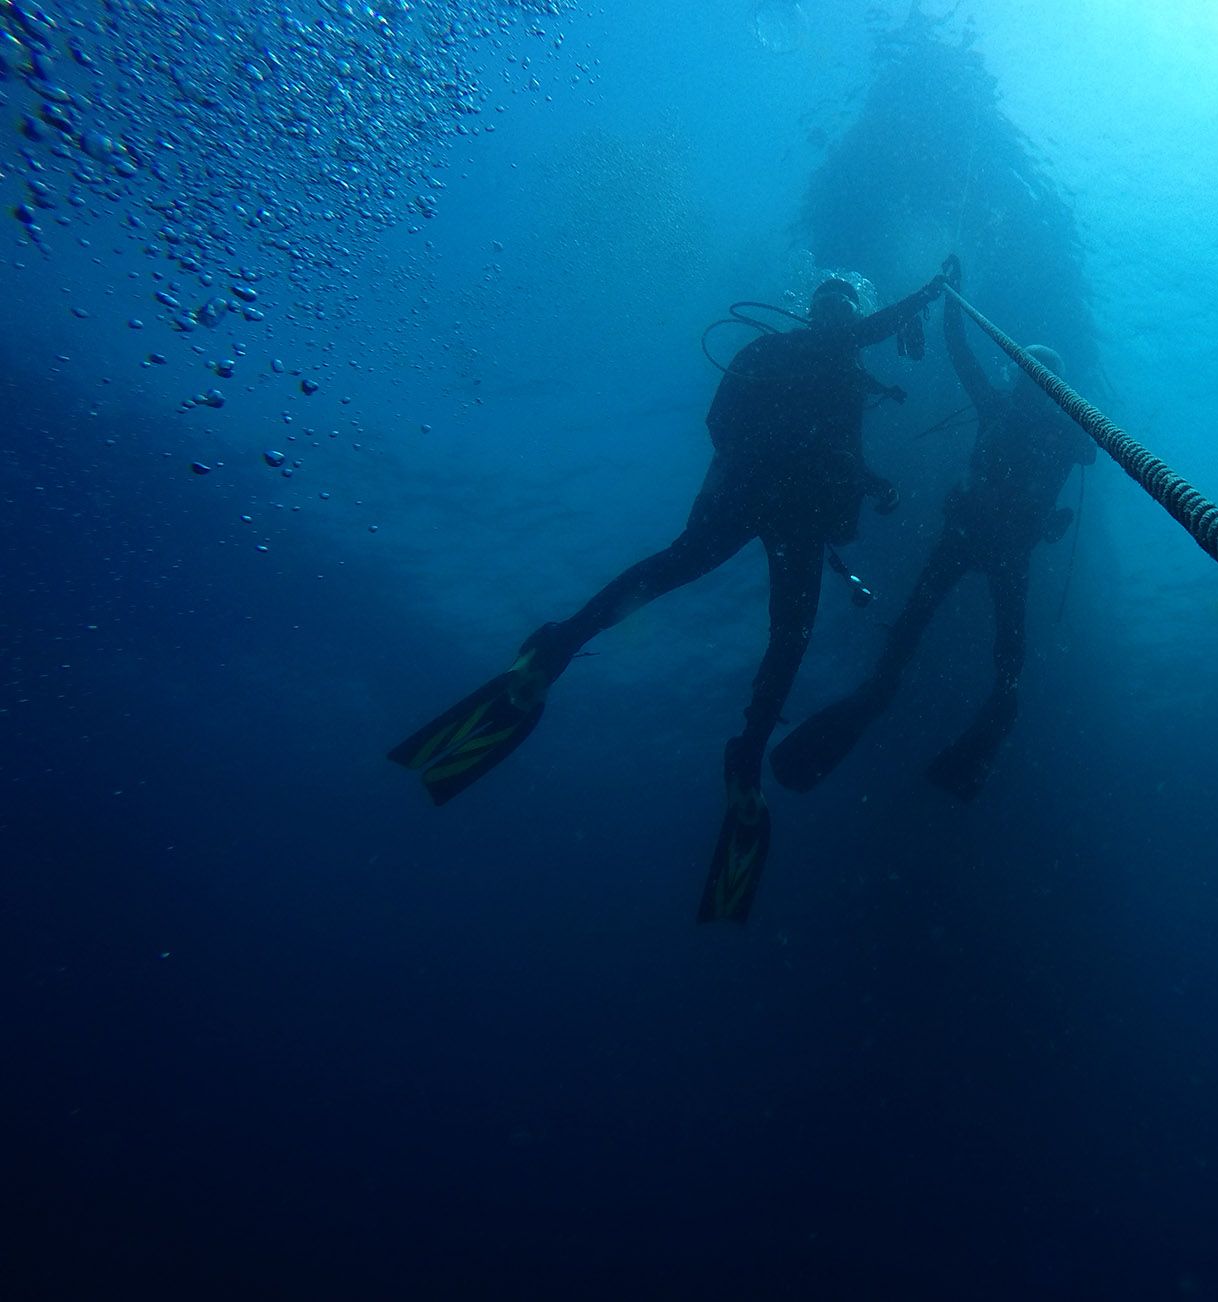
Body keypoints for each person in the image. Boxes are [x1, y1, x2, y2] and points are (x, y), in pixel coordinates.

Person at [388, 269, 950, 922]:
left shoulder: (783, 356)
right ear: (824, 312)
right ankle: (745, 750)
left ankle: (559, 651)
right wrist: (930, 292)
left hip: (752, 496)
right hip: (781, 506)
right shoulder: (813, 351)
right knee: (782, 629)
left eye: (841, 308)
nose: (836, 317)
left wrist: (864, 480)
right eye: (836, 307)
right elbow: (817, 394)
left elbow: (741, 426)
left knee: (683, 577)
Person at [769, 273, 1093, 801]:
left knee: (919, 626)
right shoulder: (1064, 427)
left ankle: (882, 692)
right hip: (1002, 545)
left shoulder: (1006, 408)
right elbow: (1087, 452)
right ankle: (987, 709)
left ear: (1021, 375)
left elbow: (960, 349)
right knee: (1003, 648)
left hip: (969, 537)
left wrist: (952, 294)